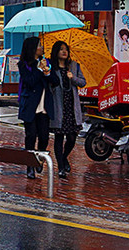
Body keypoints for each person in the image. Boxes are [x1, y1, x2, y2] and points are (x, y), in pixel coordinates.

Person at [46, 40, 86, 178]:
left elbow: (83, 82)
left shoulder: (74, 66)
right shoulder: (51, 67)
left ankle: (64, 157)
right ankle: (61, 167)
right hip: (58, 106)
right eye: (61, 49)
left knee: (71, 137)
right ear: (56, 52)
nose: (64, 52)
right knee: (58, 137)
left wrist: (72, 77)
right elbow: (48, 85)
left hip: (71, 106)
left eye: (66, 49)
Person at [17, 36, 51, 179]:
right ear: (32, 48)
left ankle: (40, 159)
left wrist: (47, 72)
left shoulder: (45, 63)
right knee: (31, 136)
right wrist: (38, 70)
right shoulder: (24, 65)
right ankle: (30, 166)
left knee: (44, 137)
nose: (41, 48)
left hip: (44, 106)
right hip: (30, 105)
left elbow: (53, 81)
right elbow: (30, 81)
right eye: (39, 45)